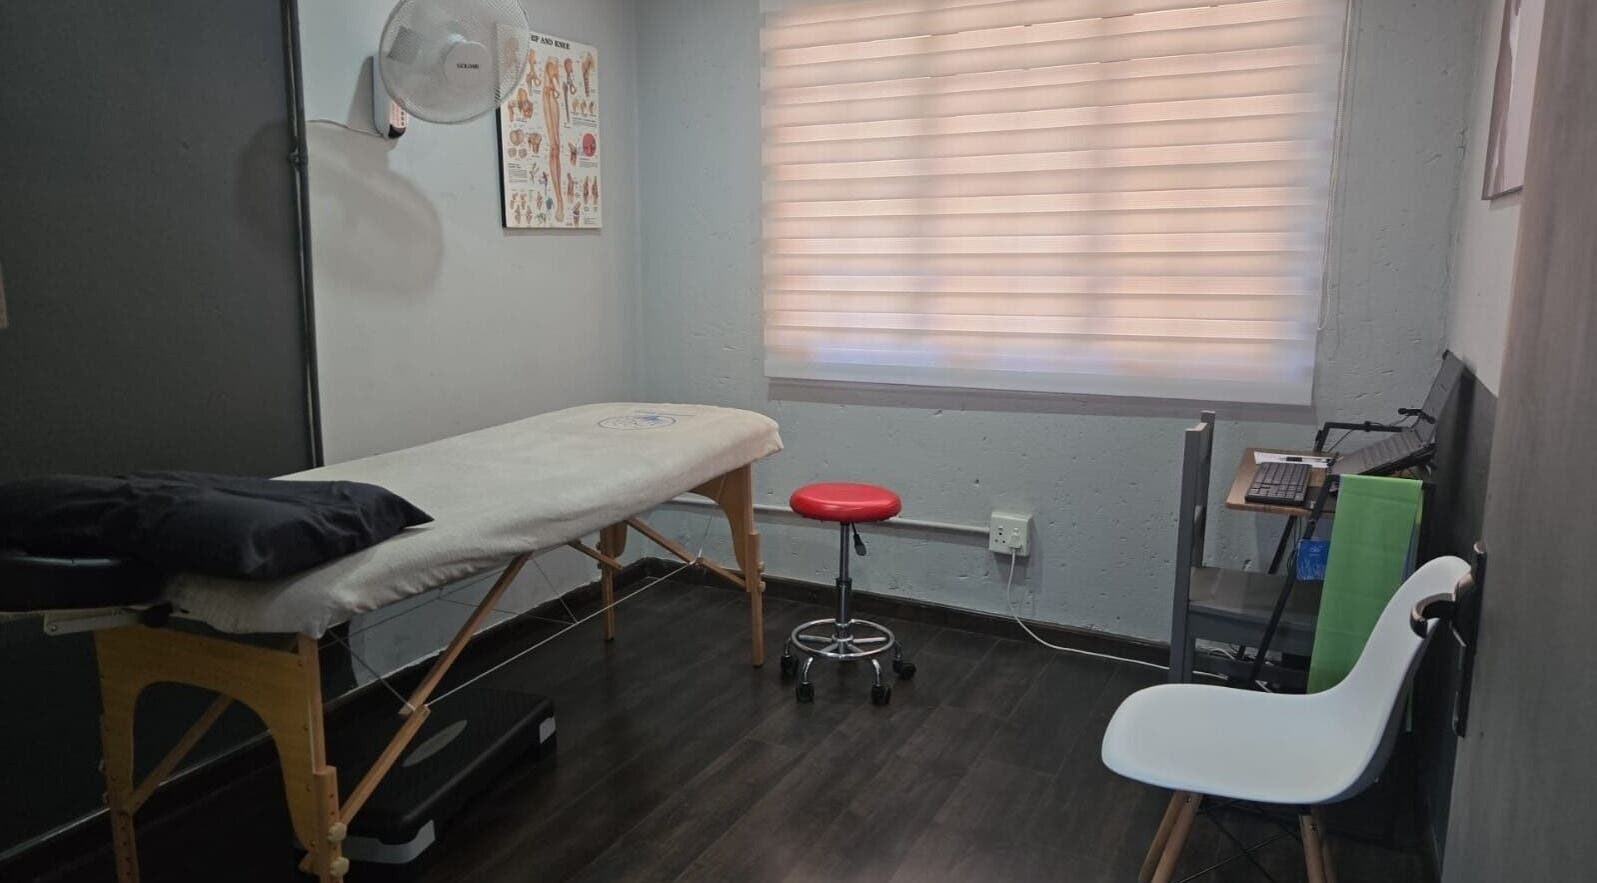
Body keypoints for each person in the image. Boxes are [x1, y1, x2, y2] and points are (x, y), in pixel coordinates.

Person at [541, 58, 563, 221]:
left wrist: (555, 86)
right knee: (554, 148)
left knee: (557, 148)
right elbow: (556, 88)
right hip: (547, 99)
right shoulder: (549, 69)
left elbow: (558, 89)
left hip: (552, 99)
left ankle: (560, 201)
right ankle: (559, 200)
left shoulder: (553, 69)